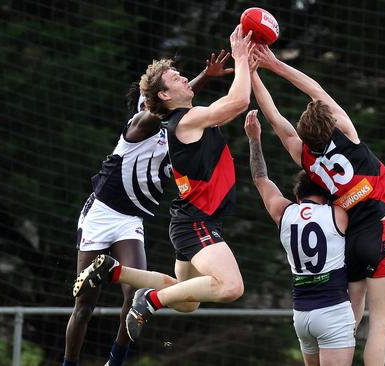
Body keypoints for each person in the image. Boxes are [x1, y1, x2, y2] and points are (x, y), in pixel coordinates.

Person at [75, 25, 255, 342]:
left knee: (188, 301)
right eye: (176, 78)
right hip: (196, 221)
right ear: (164, 95)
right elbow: (238, 102)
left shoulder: (189, 117)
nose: (185, 79)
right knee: (230, 287)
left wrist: (247, 68)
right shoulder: (185, 120)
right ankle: (149, 301)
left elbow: (232, 100)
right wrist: (240, 57)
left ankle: (113, 271)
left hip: (189, 219)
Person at [250, 45, 385, 366]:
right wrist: (275, 65)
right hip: (378, 231)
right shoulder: (347, 134)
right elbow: (316, 90)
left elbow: (276, 119)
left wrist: (251, 74)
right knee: (381, 325)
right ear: (333, 123)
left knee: (352, 320)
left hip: (349, 241)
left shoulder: (304, 157)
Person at [244, 109, 355, 366]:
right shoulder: (339, 213)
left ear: (297, 196)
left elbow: (260, 179)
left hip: (301, 314)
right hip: (332, 309)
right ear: (326, 195)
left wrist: (254, 138)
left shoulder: (283, 212)